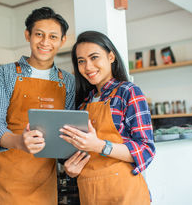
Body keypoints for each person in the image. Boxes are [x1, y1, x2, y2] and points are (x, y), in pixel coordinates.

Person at [0, 7, 75, 205]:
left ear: (63, 40)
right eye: (39, 34)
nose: (45, 42)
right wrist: (19, 142)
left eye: (53, 36)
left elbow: (67, 132)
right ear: (27, 35)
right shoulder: (5, 74)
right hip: (3, 179)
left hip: (43, 182)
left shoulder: (68, 81)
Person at [59, 30, 155, 205]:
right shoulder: (82, 105)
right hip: (91, 195)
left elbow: (145, 149)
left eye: (94, 57)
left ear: (111, 56)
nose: (87, 67)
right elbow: (81, 155)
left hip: (125, 194)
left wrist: (99, 145)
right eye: (81, 61)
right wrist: (72, 170)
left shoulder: (128, 92)